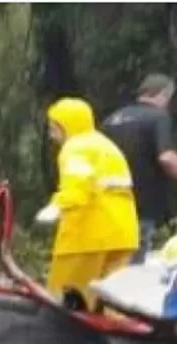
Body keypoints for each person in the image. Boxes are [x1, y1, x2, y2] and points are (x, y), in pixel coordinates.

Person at [36, 98, 139, 310]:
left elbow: (78, 188)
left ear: (66, 124)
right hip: (123, 234)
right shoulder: (105, 145)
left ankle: (61, 343)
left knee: (66, 300)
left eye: (55, 126)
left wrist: (56, 206)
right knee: (113, 302)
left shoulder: (75, 148)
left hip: (88, 235)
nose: (52, 133)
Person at [101, 73, 177, 262]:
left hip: (109, 204)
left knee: (112, 264)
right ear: (163, 95)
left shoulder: (111, 120)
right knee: (134, 263)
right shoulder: (158, 117)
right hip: (141, 205)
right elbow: (167, 157)